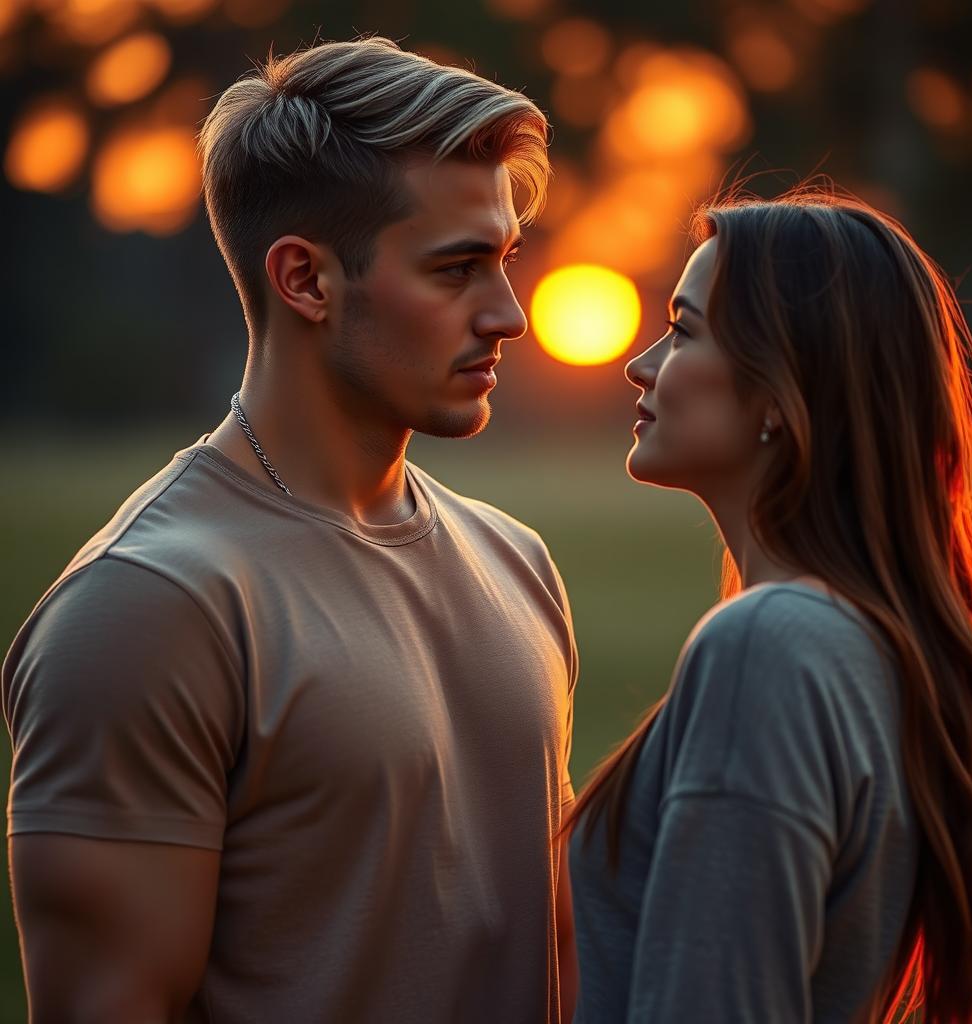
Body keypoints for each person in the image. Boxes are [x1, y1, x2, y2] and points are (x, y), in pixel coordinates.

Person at [3, 37, 579, 1023]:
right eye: (457, 270)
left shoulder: (514, 559)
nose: (509, 316)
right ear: (305, 280)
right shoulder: (150, 608)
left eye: (506, 261)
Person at [566, 188, 972, 1023]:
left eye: (684, 329)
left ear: (781, 394)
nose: (640, 364)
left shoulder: (769, 647)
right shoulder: (858, 643)